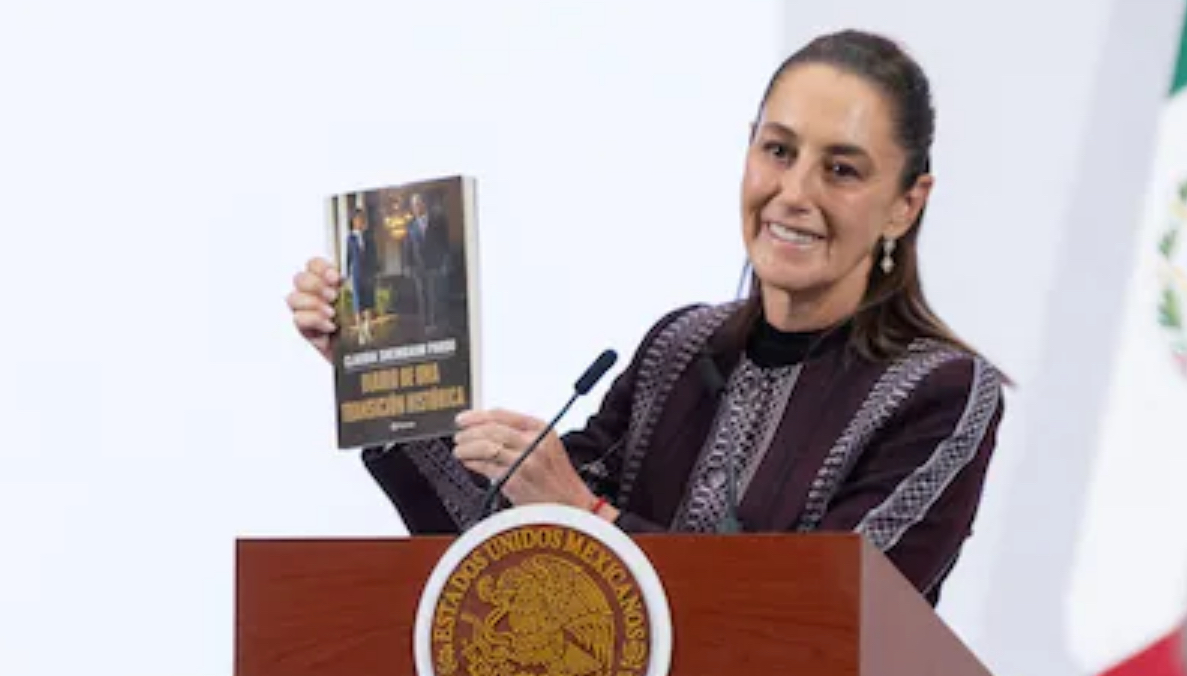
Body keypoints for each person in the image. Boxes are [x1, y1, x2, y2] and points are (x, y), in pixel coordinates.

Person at [286, 29, 1006, 606]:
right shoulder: (681, 349)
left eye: (841, 169)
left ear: (906, 203)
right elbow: (499, 546)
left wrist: (592, 518)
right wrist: (376, 368)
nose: (793, 192)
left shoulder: (938, 392)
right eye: (777, 151)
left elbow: (833, 609)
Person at [402, 192, 451, 335]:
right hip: (418, 267)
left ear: (424, 204)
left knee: (435, 295)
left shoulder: (438, 220)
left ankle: (437, 323)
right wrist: (407, 265)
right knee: (422, 296)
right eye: (413, 205)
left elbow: (445, 243)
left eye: (418, 204)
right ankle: (426, 325)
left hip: (435, 265)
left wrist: (445, 262)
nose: (415, 207)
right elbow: (407, 247)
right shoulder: (410, 225)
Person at [344, 207, 377, 346]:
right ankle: (360, 334)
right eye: (357, 218)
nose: (360, 220)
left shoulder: (368, 236)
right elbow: (348, 258)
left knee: (369, 301)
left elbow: (374, 255)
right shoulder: (350, 238)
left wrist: (375, 271)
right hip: (356, 274)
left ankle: (368, 329)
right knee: (358, 304)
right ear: (352, 221)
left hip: (368, 274)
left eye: (361, 218)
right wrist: (347, 276)